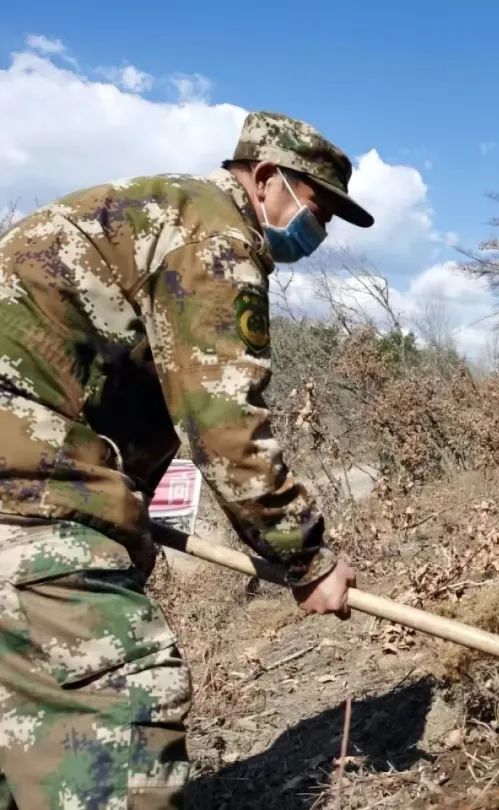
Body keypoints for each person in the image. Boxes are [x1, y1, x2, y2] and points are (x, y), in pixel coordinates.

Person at [0, 111, 372, 807]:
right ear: (265, 179)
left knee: (24, 729)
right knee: (117, 708)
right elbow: (226, 429)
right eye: (315, 211)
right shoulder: (216, 235)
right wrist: (307, 560)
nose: (315, 235)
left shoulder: (153, 211)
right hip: (24, 484)